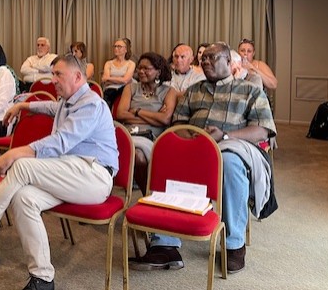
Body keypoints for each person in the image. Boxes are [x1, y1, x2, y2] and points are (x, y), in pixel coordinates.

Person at [0, 55, 118, 290]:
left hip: (94, 176)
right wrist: (23, 105)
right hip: (71, 175)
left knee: (22, 165)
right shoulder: (69, 102)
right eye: (52, 74)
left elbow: (61, 141)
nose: (53, 80)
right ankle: (42, 278)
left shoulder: (91, 103)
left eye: (58, 74)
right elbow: (51, 107)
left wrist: (16, 152)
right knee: (23, 198)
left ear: (78, 77)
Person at [130, 42, 276, 274]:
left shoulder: (250, 90)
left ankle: (233, 244)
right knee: (168, 155)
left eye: (212, 58)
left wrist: (225, 136)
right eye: (204, 58)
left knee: (228, 161)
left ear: (229, 62)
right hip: (194, 145)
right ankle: (165, 244)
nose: (205, 61)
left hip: (233, 146)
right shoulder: (194, 91)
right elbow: (178, 123)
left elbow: (263, 130)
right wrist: (196, 140)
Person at [117, 52, 177, 195]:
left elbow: (165, 120)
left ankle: (147, 194)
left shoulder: (169, 91)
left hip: (152, 137)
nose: (141, 72)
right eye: (139, 68)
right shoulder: (130, 88)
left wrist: (137, 111)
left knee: (138, 156)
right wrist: (154, 117)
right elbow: (120, 114)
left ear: (158, 72)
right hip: (128, 133)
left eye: (146, 69)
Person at [101, 38, 135, 108]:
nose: (116, 48)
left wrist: (110, 79)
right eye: (115, 46)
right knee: (107, 98)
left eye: (119, 46)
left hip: (126, 89)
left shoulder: (131, 64)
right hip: (110, 89)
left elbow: (126, 80)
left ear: (126, 49)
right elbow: (104, 79)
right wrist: (120, 79)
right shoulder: (108, 63)